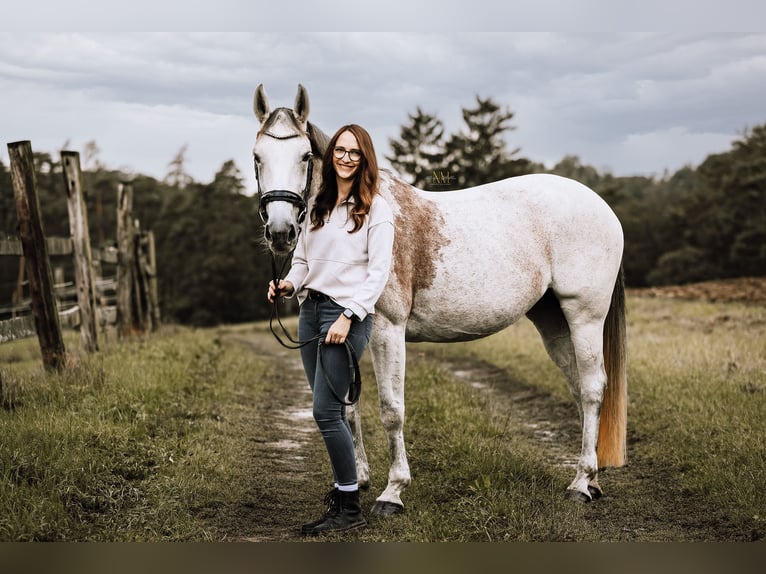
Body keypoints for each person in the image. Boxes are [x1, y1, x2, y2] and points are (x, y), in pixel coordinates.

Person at [267, 124, 394, 536]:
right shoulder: (317, 207)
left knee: (326, 410)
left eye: (354, 153)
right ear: (329, 156)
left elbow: (378, 274)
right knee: (329, 412)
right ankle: (343, 496)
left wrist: (349, 316)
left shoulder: (377, 209)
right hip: (311, 311)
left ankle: (350, 506)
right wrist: (288, 283)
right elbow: (303, 262)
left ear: (365, 159)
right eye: (339, 150)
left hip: (346, 317)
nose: (344, 158)